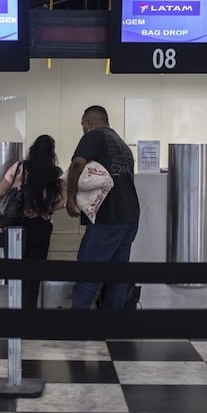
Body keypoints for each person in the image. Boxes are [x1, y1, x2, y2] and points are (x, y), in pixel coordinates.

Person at [66, 105, 140, 309]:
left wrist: (70, 198)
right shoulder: (122, 144)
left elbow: (77, 164)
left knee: (88, 272)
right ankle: (111, 322)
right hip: (130, 217)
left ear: (88, 123)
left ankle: (75, 322)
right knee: (117, 276)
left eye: (82, 125)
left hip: (108, 217)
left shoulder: (93, 136)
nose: (83, 129)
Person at [0, 134, 65, 309]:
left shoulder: (18, 168)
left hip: (15, 226)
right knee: (34, 274)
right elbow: (63, 202)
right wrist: (45, 208)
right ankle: (27, 316)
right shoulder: (56, 174)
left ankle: (12, 312)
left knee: (14, 272)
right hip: (40, 226)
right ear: (52, 153)